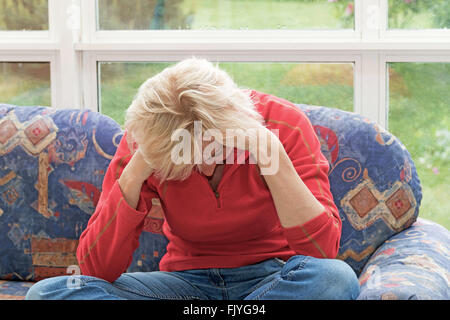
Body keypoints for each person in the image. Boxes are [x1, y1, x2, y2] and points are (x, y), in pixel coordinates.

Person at [26, 58, 360, 300]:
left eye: (212, 146)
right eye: (185, 155)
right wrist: (139, 167)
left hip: (275, 278)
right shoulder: (151, 138)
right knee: (48, 294)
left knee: (336, 280)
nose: (200, 164)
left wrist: (268, 150)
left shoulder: (283, 124)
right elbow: (95, 270)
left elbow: (321, 251)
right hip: (185, 286)